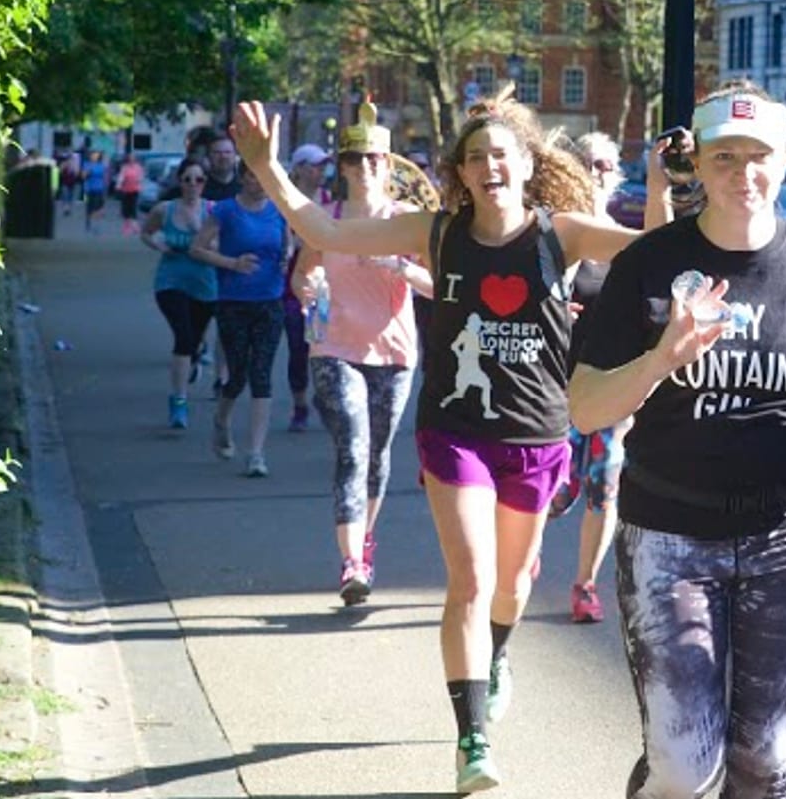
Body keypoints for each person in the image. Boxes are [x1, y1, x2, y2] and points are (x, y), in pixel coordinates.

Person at [231, 88, 658, 794]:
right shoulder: (435, 232)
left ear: (525, 164)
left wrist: (683, 188)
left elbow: (653, 249)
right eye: (476, 157)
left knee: (514, 585)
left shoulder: (564, 233)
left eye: (501, 154)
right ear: (460, 172)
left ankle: (495, 657)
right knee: (470, 578)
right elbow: (326, 231)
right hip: (455, 432)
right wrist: (268, 167)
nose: (489, 166)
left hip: (538, 435)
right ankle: (473, 740)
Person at [568, 81, 786, 799]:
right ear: (700, 164)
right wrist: (659, 360)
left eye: (760, 156)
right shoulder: (648, 265)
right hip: (670, 533)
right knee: (683, 769)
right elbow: (585, 408)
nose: (744, 173)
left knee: (764, 762)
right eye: (725, 156)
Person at [290, 107, 434, 604]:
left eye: (377, 160)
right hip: (333, 347)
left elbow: (441, 287)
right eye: (360, 160)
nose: (369, 168)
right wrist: (308, 290)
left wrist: (400, 266)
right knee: (352, 446)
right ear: (345, 167)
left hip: (393, 352)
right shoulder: (326, 220)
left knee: (377, 453)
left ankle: (366, 543)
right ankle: (352, 561)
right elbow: (301, 276)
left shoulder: (407, 223)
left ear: (388, 167)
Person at [547, 132, 633, 624]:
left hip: (608, 386)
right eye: (588, 163)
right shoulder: (556, 237)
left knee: (604, 486)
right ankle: (521, 564)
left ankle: (585, 585)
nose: (597, 172)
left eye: (605, 164)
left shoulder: (625, 242)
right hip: (555, 387)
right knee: (554, 493)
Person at [192, 160, 289, 477]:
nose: (258, 183)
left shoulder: (279, 210)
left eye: (264, 178)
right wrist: (231, 263)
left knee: (261, 374)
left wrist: (289, 260)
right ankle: (221, 419)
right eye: (252, 176)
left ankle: (256, 453)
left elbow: (290, 246)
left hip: (270, 301)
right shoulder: (225, 211)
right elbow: (197, 249)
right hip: (233, 301)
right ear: (242, 178)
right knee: (238, 376)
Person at [140, 158, 219, 428]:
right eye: (187, 179)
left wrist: (203, 237)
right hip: (170, 282)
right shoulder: (165, 209)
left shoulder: (213, 210)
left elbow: (224, 245)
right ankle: (179, 402)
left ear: (205, 183)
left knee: (194, 340)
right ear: (179, 181)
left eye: (199, 180)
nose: (193, 185)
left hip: (205, 285)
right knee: (183, 337)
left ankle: (194, 358)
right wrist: (160, 247)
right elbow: (146, 233)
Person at [282, 143, 333, 432]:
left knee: (321, 347)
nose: (321, 171)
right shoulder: (285, 203)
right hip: (290, 287)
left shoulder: (329, 201)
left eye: (323, 165)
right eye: (315, 165)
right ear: (299, 168)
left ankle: (322, 397)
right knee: (298, 348)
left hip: (321, 289)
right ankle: (299, 404)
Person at [116, 153, 145, 237]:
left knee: (133, 207)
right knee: (126, 208)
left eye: (133, 158)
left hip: (135, 190)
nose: (131, 160)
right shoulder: (125, 167)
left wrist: (139, 184)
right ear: (128, 159)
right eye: (130, 158)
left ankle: (135, 226)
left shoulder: (138, 167)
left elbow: (141, 177)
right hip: (126, 190)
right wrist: (118, 185)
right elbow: (121, 177)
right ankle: (127, 226)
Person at [81, 149, 110, 233]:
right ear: (90, 156)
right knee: (89, 207)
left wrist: (106, 188)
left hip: (99, 189)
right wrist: (88, 171)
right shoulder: (86, 164)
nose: (95, 157)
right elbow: (83, 176)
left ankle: (96, 225)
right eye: (93, 155)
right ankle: (88, 223)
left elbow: (104, 176)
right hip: (89, 189)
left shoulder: (101, 165)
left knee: (97, 207)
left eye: (96, 155)